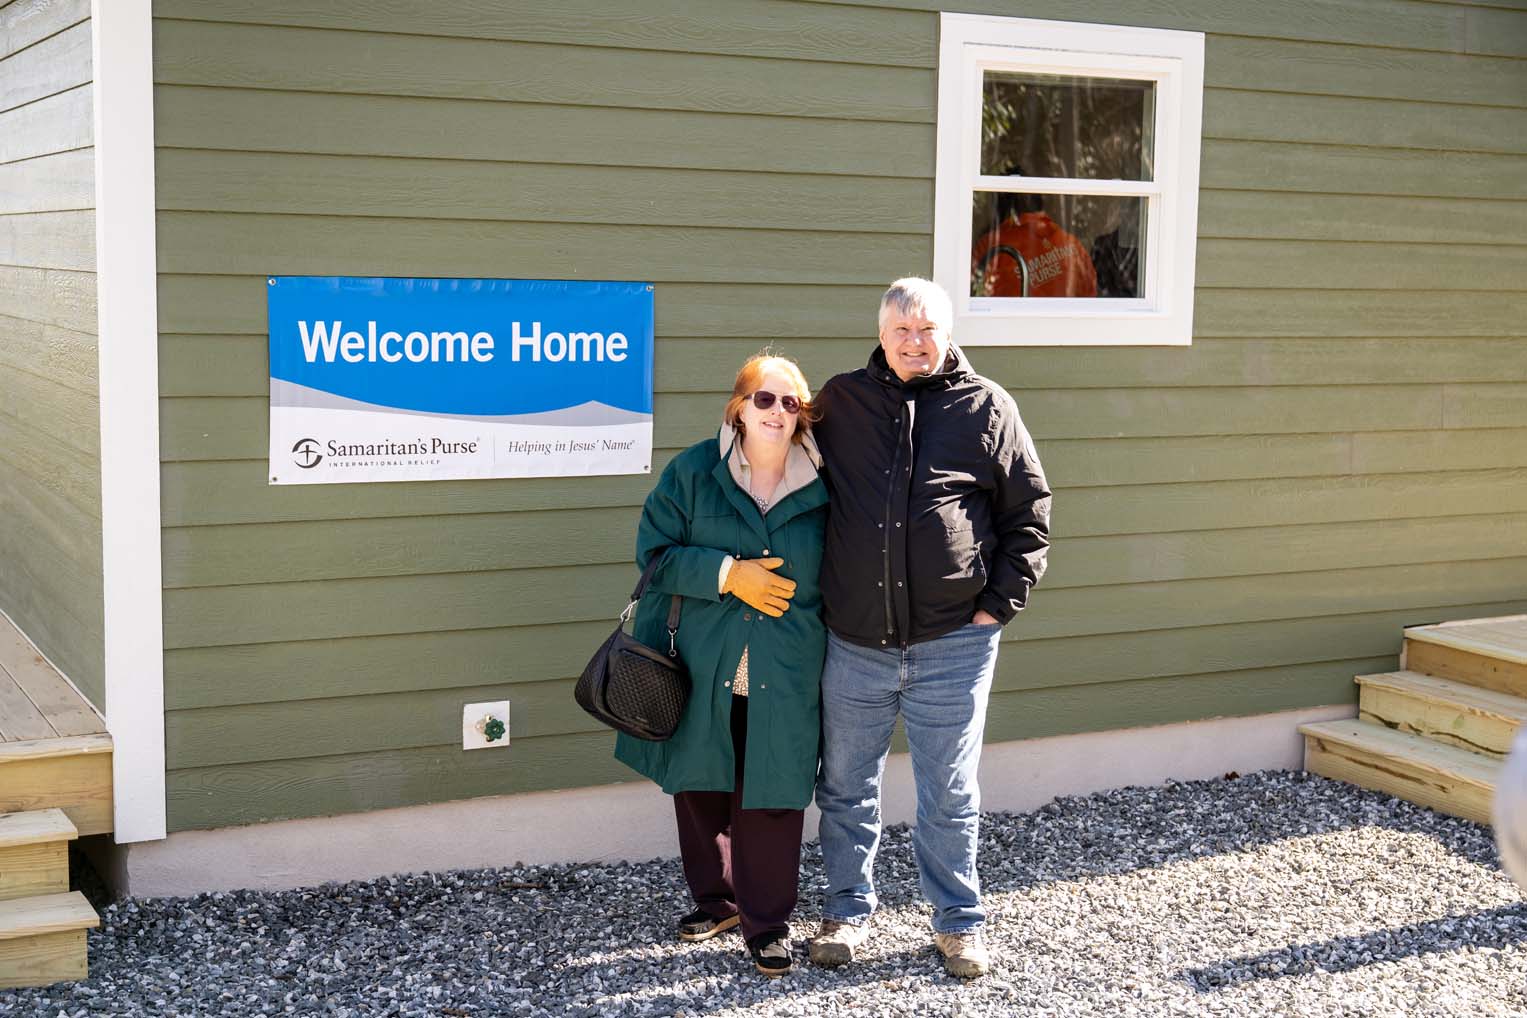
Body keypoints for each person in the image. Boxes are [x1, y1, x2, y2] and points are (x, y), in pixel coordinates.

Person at [808, 277, 1051, 978]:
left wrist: (997, 606)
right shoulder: (840, 402)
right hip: (854, 640)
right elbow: (781, 469)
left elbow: (1028, 513)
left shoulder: (987, 406)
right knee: (845, 787)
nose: (914, 343)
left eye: (927, 330)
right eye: (901, 331)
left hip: (954, 642)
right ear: (881, 336)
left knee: (949, 791)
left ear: (947, 334)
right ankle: (846, 912)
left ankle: (958, 924)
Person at [614, 354, 829, 977]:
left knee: (773, 790)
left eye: (791, 403)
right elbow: (654, 556)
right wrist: (728, 574)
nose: (777, 412)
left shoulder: (825, 485)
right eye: (765, 399)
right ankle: (717, 901)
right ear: (739, 407)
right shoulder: (693, 472)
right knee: (700, 782)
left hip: (784, 666)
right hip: (702, 661)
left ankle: (768, 923)